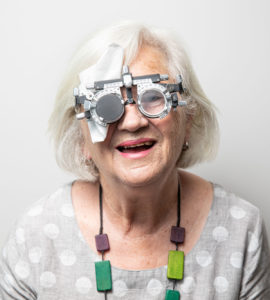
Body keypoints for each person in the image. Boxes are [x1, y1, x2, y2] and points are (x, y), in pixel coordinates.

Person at [0, 21, 269, 300]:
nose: (133, 121)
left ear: (188, 120)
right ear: (81, 139)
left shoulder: (241, 230)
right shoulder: (35, 236)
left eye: (153, 97)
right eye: (106, 105)